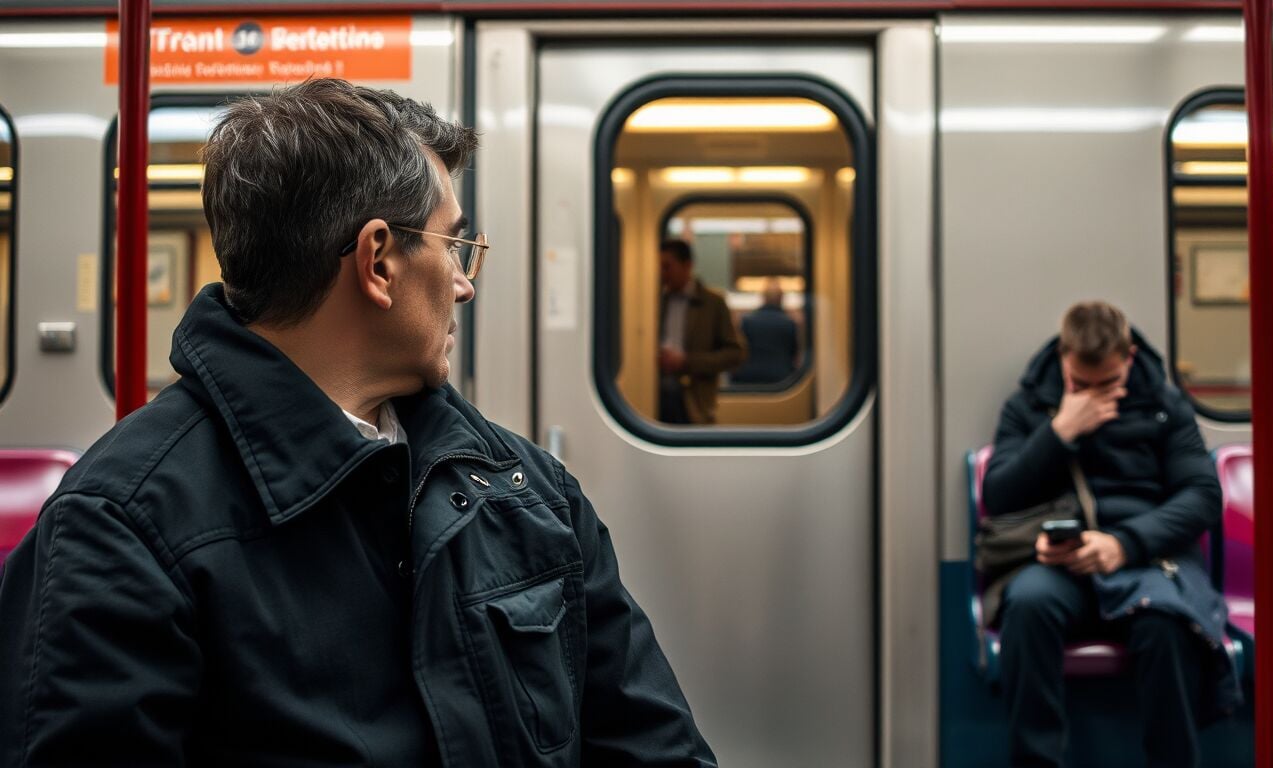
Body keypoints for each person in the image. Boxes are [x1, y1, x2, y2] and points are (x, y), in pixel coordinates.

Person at [0, 79, 716, 767]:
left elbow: (651, 744)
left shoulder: (529, 490)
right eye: (453, 246)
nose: (464, 284)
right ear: (377, 262)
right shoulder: (118, 526)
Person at [982, 301, 1237, 768]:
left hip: (1143, 557)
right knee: (1029, 606)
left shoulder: (1164, 407)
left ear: (1130, 358)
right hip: (1062, 565)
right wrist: (1060, 431)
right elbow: (998, 494)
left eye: (1109, 384)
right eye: (1081, 384)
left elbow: (1201, 496)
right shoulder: (1030, 406)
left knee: (1166, 623)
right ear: (1063, 358)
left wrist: (1125, 544)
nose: (1094, 397)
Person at [657, 240, 744, 424]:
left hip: (695, 400)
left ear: (687, 266)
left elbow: (735, 355)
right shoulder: (656, 302)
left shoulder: (713, 304)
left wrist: (686, 361)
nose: (662, 273)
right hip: (656, 397)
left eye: (667, 267)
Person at [731, 278, 799, 385]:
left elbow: (740, 351)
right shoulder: (789, 324)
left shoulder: (747, 321)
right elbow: (793, 353)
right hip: (781, 379)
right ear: (781, 299)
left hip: (747, 378)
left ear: (763, 298)